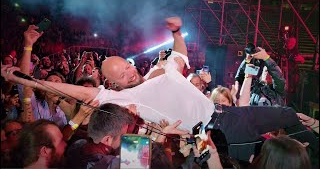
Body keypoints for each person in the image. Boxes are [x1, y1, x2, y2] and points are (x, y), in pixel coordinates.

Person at [1, 17, 214, 131]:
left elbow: (179, 54)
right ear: (114, 86)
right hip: (202, 134)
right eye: (121, 76)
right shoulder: (125, 97)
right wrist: (28, 80)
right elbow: (80, 92)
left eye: (127, 67)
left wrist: (176, 32)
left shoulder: (160, 70)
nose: (129, 74)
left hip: (221, 115)